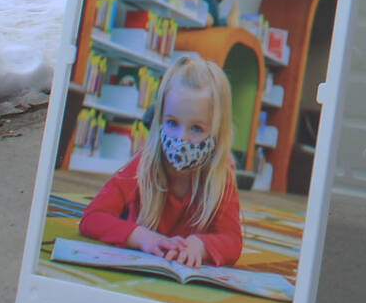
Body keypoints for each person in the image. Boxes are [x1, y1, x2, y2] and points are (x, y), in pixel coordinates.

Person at [78, 54, 243, 268]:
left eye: (196, 128)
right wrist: (142, 237)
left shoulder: (220, 180)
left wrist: (200, 246)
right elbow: (91, 218)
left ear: (217, 132)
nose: (180, 138)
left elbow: (233, 241)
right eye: (172, 123)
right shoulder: (142, 166)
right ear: (159, 120)